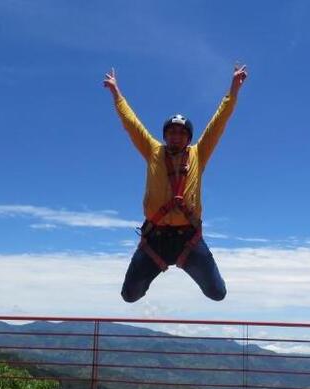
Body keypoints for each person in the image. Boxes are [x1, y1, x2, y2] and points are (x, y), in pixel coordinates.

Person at [103, 64, 248, 302]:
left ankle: (184, 265)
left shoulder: (198, 154)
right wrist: (116, 93)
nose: (176, 136)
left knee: (217, 293)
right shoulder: (152, 151)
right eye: (171, 132)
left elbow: (219, 122)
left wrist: (233, 90)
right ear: (165, 135)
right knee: (130, 295)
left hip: (187, 238)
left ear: (189, 137)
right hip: (155, 238)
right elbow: (131, 123)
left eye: (181, 133)